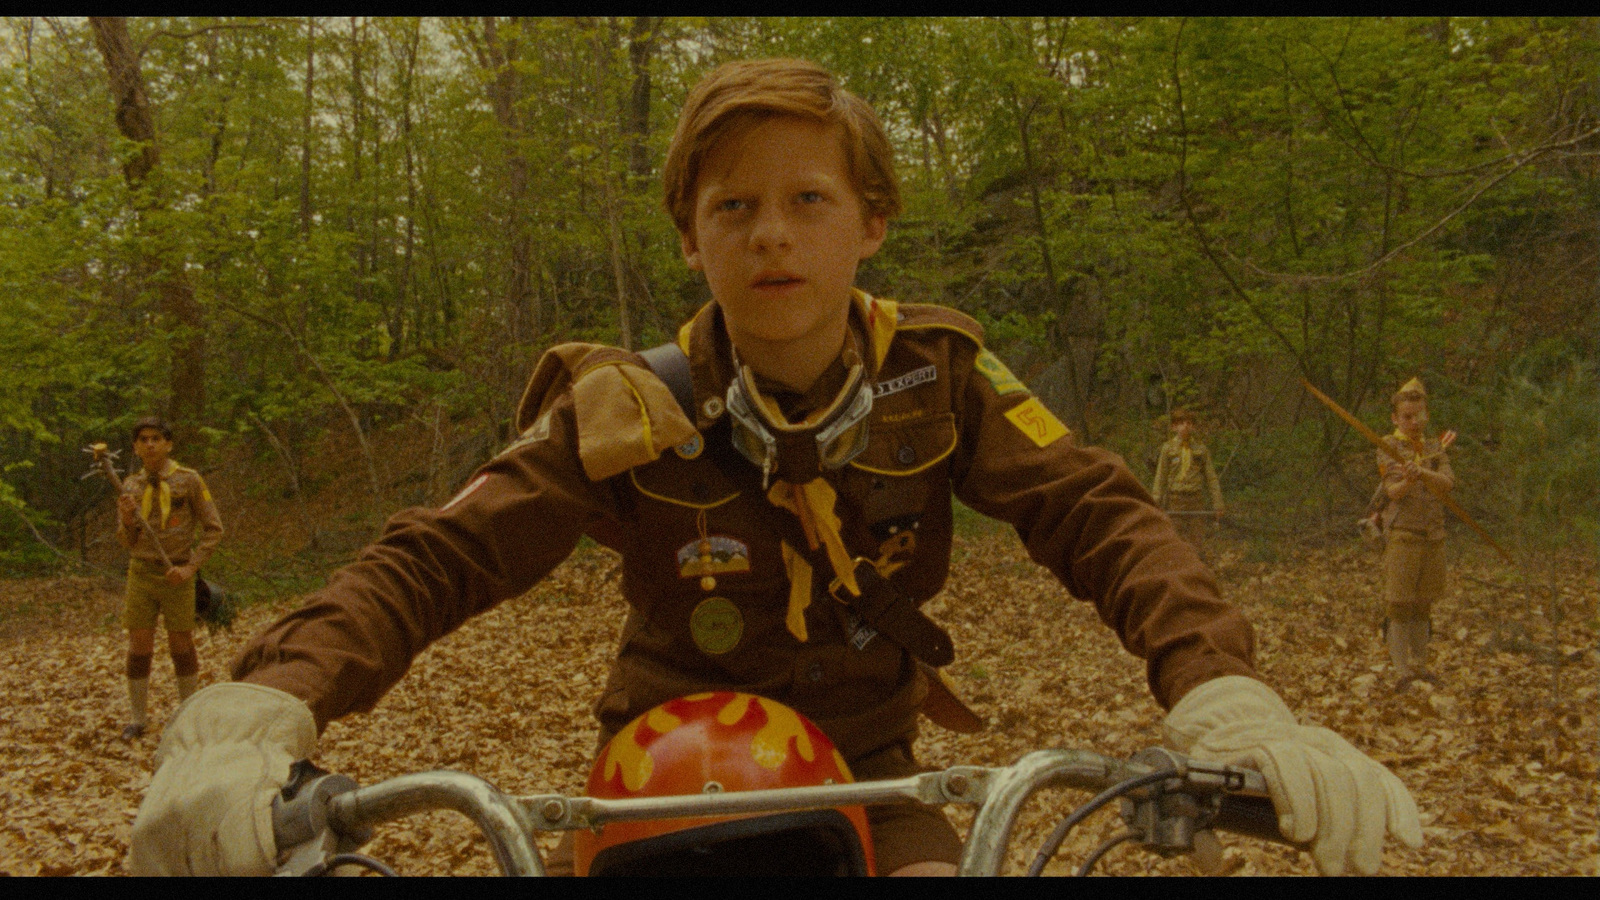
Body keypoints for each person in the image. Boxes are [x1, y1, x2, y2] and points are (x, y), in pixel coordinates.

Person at [127, 58, 1420, 877]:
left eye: (808, 198)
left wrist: (1230, 701)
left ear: (873, 220)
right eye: (732, 206)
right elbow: (446, 553)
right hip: (659, 782)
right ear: (692, 238)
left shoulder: (943, 375)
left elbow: (1104, 517)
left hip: (878, 774)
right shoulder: (622, 403)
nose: (772, 234)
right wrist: (267, 707)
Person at [114, 416, 224, 740]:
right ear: (135, 447)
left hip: (177, 572)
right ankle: (137, 718)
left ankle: (188, 713)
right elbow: (126, 541)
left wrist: (190, 568)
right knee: (139, 643)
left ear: (168, 443)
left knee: (181, 642)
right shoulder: (130, 486)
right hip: (141, 571)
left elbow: (214, 529)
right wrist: (125, 519)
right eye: (143, 439)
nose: (150, 444)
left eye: (156, 438)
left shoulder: (188, 480)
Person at [1377, 378, 1456, 692]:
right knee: (1399, 603)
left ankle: (1421, 666)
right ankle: (1401, 673)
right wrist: (1408, 481)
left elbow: (1448, 482)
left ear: (1425, 414)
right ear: (1396, 418)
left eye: (1418, 415)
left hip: (1433, 534)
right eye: (1406, 416)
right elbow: (1392, 491)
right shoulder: (1388, 446)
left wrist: (1423, 471)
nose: (1413, 422)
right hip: (1404, 534)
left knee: (1423, 604)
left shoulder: (1435, 446)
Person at [1150, 408, 1226, 551]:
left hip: (1195, 500)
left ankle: (1195, 569)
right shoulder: (1168, 449)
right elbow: (1160, 477)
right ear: (1174, 427)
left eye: (1189, 423)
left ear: (1193, 426)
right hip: (1175, 500)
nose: (1185, 426)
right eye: (1181, 423)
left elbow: (1211, 478)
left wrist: (1218, 504)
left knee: (1196, 539)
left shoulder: (1201, 449)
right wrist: (1155, 502)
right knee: (1175, 539)